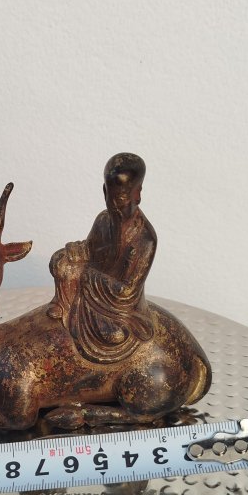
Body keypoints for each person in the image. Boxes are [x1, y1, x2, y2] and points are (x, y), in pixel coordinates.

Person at [47, 152, 156, 364]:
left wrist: (88, 276)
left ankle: (76, 315)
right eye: (110, 196)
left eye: (121, 198)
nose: (114, 205)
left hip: (117, 309)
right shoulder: (103, 220)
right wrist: (73, 251)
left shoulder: (145, 239)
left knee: (115, 335)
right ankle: (63, 306)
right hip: (90, 288)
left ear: (137, 194)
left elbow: (127, 291)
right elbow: (89, 249)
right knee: (59, 261)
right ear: (104, 191)